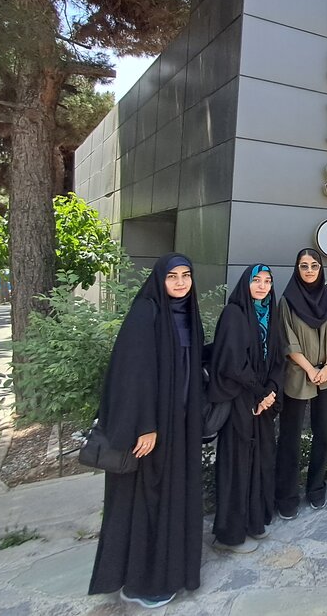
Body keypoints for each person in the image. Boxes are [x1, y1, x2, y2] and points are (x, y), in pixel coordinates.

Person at [88, 253, 204, 609]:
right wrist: (145, 426)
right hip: (152, 429)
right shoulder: (147, 313)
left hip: (180, 426)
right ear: (160, 280)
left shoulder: (188, 314)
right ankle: (142, 581)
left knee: (172, 498)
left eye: (186, 275)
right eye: (173, 276)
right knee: (146, 501)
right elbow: (132, 375)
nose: (181, 282)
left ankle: (171, 570)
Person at [208, 264, 283, 553]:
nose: (262, 286)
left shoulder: (270, 314)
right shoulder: (234, 314)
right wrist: (260, 392)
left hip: (263, 401)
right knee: (237, 463)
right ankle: (230, 534)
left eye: (267, 281)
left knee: (261, 458)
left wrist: (271, 391)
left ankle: (255, 521)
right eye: (257, 280)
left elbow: (278, 360)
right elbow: (231, 362)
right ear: (246, 283)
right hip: (240, 400)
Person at [274, 248, 327, 518]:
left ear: (321, 268)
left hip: (326, 374)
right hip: (298, 373)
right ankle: (287, 496)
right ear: (297, 268)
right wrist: (309, 368)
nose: (309, 271)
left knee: (323, 434)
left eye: (314, 265)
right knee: (290, 438)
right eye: (304, 266)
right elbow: (287, 339)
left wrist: (326, 366)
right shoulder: (288, 300)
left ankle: (316, 488)